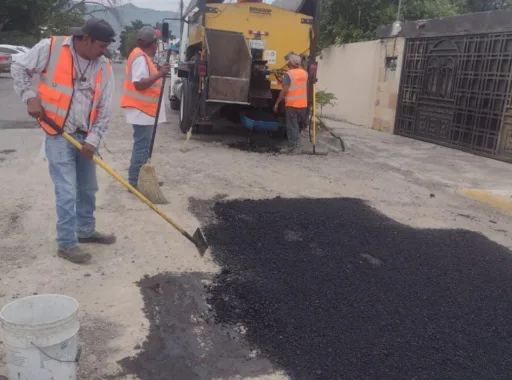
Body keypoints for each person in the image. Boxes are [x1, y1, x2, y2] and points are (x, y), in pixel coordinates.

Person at [11, 18, 117, 264]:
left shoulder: (103, 65)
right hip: (57, 134)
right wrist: (29, 96)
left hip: (86, 135)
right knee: (67, 190)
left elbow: (104, 107)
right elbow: (18, 66)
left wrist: (94, 137)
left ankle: (86, 230)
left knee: (88, 188)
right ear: (86, 39)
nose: (104, 51)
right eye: (101, 45)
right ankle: (67, 244)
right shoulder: (52, 48)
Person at [121, 26, 170, 189]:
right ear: (153, 43)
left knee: (143, 146)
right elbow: (139, 84)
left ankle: (143, 179)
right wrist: (160, 74)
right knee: (141, 147)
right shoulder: (140, 58)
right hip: (141, 109)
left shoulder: (142, 56)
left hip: (144, 110)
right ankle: (135, 183)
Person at [273, 54, 308, 154]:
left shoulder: (289, 74)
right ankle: (296, 145)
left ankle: (292, 148)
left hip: (292, 104)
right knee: (296, 125)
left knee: (292, 126)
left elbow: (284, 91)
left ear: (290, 63)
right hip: (303, 105)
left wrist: (277, 103)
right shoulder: (304, 73)